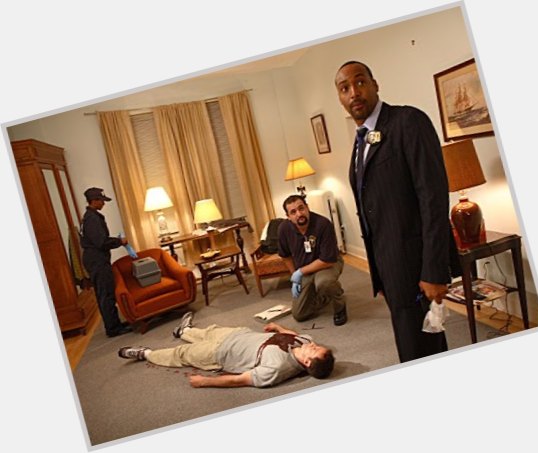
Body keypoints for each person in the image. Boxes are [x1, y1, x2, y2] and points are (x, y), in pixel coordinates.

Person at [334, 61, 460, 362]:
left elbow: (432, 199)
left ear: (375, 84)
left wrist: (433, 270)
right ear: (340, 97)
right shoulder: (361, 140)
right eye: (344, 88)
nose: (354, 92)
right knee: (416, 343)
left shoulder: (408, 122)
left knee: (420, 349)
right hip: (390, 268)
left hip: (417, 266)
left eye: (360, 82)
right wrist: (380, 274)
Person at [118, 312, 335, 388]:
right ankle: (184, 331)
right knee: (207, 332)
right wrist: (278, 327)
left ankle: (145, 353)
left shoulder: (277, 368)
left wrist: (205, 382)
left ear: (307, 363)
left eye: (314, 349)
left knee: (182, 354)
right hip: (237, 335)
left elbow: (240, 380)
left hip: (219, 354)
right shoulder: (305, 340)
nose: (313, 344)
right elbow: (294, 334)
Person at [278, 194, 347, 326]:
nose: (299, 214)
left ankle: (339, 305)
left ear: (307, 207)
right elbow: (285, 256)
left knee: (325, 282)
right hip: (305, 269)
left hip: (327, 264)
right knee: (299, 314)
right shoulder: (284, 229)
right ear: (288, 216)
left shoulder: (323, 224)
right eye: (293, 212)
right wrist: (294, 276)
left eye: (301, 208)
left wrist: (300, 272)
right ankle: (324, 296)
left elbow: (328, 260)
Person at [80, 187, 132, 337]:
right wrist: (119, 241)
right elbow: (101, 242)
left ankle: (114, 324)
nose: (103, 203)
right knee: (106, 294)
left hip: (96, 259)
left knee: (106, 292)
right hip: (97, 261)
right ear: (94, 201)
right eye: (101, 200)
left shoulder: (91, 216)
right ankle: (113, 328)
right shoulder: (92, 219)